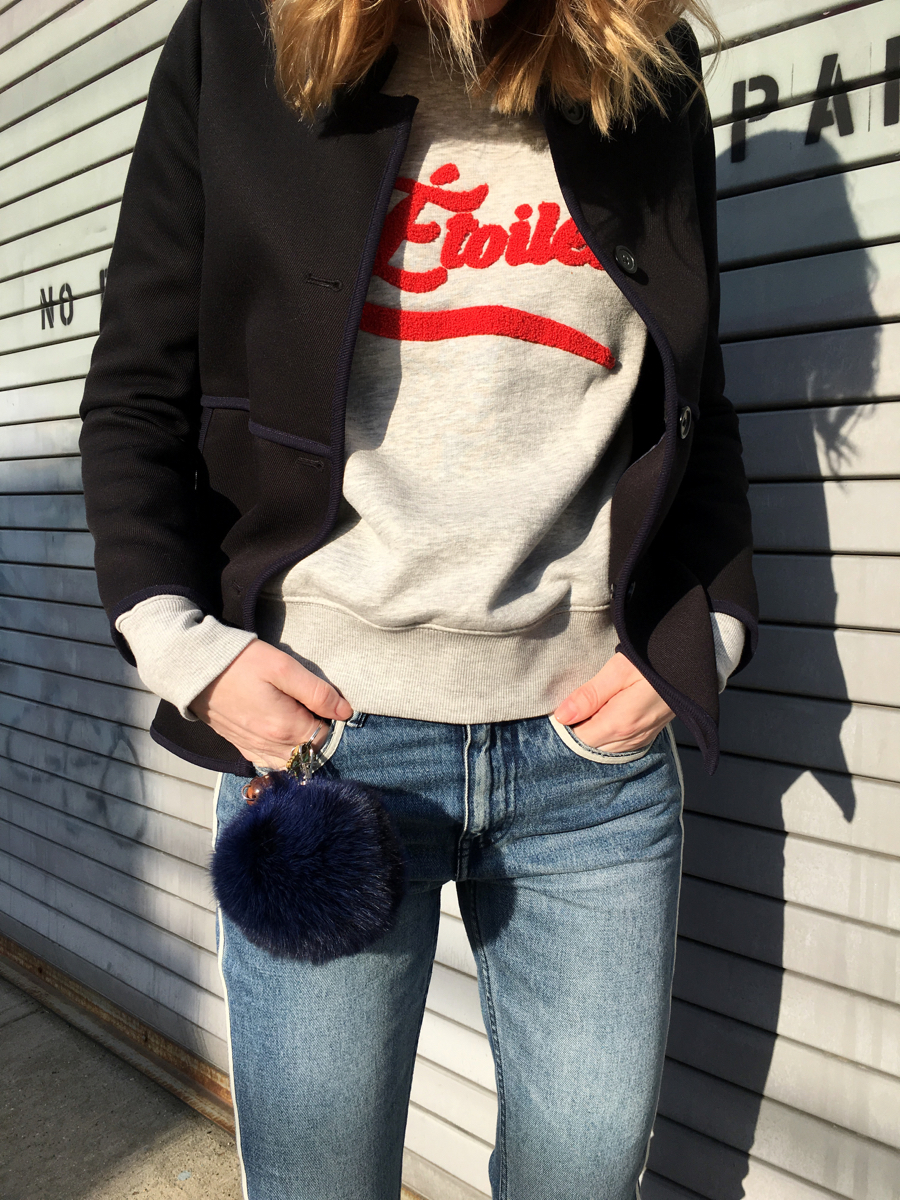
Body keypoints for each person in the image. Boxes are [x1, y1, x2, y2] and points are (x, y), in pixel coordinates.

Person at [79, 0, 757, 1194]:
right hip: (330, 751)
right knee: (320, 1180)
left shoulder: (645, 63)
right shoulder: (241, 42)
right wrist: (185, 648)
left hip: (586, 769)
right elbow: (140, 384)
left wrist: (704, 635)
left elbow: (694, 393)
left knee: (587, 1174)